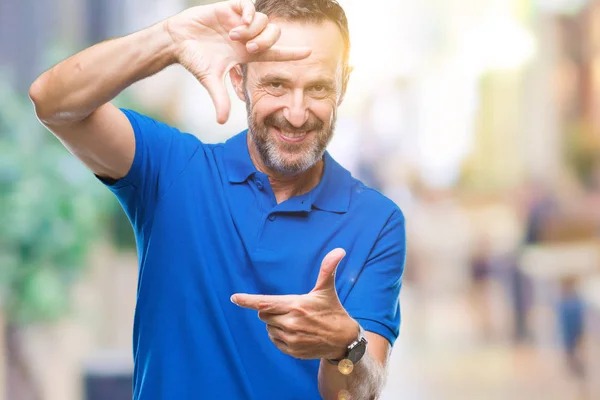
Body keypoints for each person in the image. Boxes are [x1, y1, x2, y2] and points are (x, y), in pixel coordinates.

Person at [29, 0, 406, 399]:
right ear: (238, 78)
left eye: (317, 88)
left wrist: (343, 345)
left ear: (343, 85)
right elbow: (52, 102)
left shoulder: (377, 221)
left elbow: (355, 394)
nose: (296, 114)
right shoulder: (172, 170)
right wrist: (169, 40)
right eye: (276, 84)